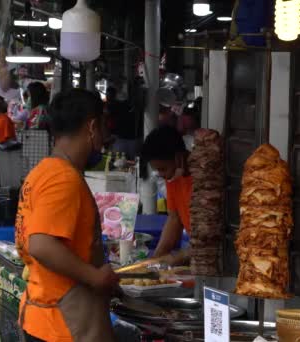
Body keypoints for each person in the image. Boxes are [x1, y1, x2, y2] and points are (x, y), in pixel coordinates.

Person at [15, 89, 117, 342]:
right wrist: (95, 277)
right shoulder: (63, 178)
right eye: (103, 128)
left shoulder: (42, 172)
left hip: (43, 316)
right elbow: (41, 244)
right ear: (92, 127)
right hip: (63, 324)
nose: (105, 139)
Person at [142, 126, 191, 263]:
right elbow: (174, 219)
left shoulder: (202, 178)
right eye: (158, 170)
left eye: (163, 169)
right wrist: (157, 257)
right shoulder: (173, 178)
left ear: (179, 157)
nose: (163, 175)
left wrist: (179, 257)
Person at [108, 86, 138, 159]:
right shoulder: (132, 107)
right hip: (129, 137)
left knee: (118, 160)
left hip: (121, 137)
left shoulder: (113, 106)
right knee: (131, 159)